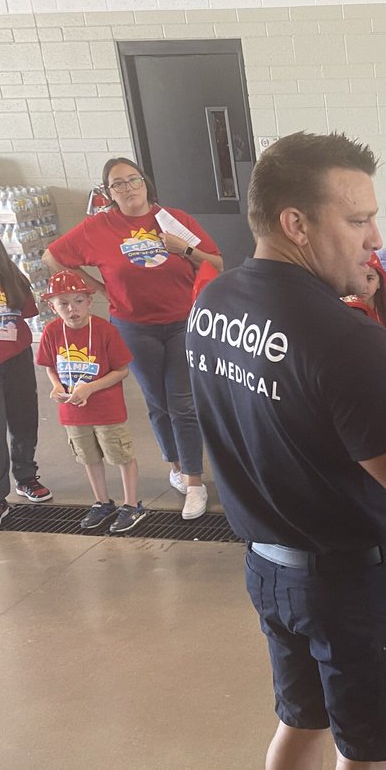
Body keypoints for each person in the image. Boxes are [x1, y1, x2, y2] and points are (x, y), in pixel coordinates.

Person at [186, 131, 386, 770]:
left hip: (269, 566)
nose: (376, 238)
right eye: (356, 220)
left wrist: (382, 375)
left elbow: (288, 403)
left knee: (299, 717)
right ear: (295, 224)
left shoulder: (212, 302)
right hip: (350, 580)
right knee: (367, 752)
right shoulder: (343, 339)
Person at [43, 157, 223, 521]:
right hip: (133, 327)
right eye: (118, 184)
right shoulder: (98, 227)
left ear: (145, 183)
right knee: (157, 403)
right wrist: (94, 288)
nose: (128, 188)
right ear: (108, 192)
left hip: (182, 322)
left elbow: (216, 264)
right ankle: (175, 466)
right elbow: (53, 256)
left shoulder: (174, 220)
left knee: (183, 403)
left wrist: (182, 249)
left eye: (133, 180)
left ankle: (194, 481)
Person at [36, 271, 148, 534]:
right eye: (63, 303)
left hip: (107, 410)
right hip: (72, 411)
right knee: (89, 457)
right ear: (53, 307)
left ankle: (132, 504)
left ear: (89, 301)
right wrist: (55, 386)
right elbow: (50, 366)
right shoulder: (52, 331)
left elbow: (122, 370)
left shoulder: (105, 330)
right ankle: (102, 502)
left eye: (77, 301)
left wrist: (91, 388)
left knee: (121, 454)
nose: (71, 309)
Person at [0, 218, 49, 530]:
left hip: (17, 359)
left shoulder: (12, 276)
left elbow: (29, 312)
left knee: (24, 419)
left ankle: (26, 476)